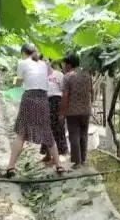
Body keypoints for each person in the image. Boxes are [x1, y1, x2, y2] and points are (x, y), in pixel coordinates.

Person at [6, 43, 64, 178]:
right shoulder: (44, 64)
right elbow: (49, 74)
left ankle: (11, 167)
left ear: (24, 53)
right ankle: (59, 165)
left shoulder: (22, 63)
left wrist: (15, 82)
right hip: (43, 99)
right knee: (47, 131)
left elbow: (18, 84)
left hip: (29, 98)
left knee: (21, 133)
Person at [59, 52, 92, 169]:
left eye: (64, 64)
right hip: (86, 110)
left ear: (69, 65)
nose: (63, 67)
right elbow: (90, 91)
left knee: (74, 136)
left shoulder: (67, 77)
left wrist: (62, 113)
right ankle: (83, 160)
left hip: (72, 111)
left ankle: (77, 162)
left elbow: (65, 96)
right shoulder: (86, 74)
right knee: (84, 135)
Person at [40, 60, 68, 162]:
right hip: (46, 102)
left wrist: (63, 109)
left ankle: (61, 153)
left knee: (59, 128)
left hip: (57, 102)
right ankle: (48, 154)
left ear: (50, 65)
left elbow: (64, 91)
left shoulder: (59, 74)